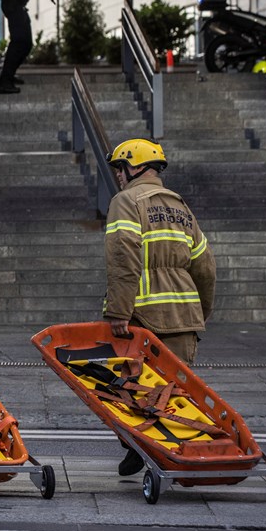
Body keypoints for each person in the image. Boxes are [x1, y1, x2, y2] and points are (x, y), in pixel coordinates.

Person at [103, 138, 216, 476]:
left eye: (120, 168)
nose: (118, 176)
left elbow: (124, 258)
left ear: (133, 167)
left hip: (141, 318)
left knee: (127, 390)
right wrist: (200, 312)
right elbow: (205, 267)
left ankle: (140, 447)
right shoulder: (180, 207)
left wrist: (120, 312)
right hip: (184, 318)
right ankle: (176, 454)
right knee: (175, 394)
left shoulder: (125, 202)